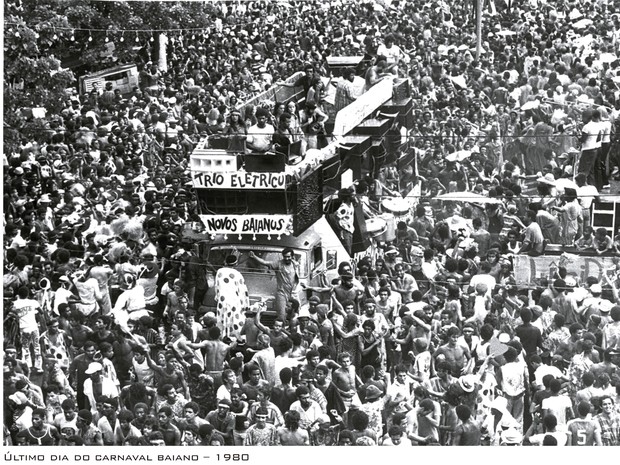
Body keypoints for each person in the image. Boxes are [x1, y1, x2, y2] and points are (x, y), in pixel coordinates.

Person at [249, 248, 299, 321]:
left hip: (293, 293)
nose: (287, 258)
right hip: (282, 293)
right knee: (281, 316)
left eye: (288, 256)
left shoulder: (295, 264)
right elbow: (265, 262)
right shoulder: (278, 264)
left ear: (292, 256)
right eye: (285, 256)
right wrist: (254, 257)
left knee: (295, 315)